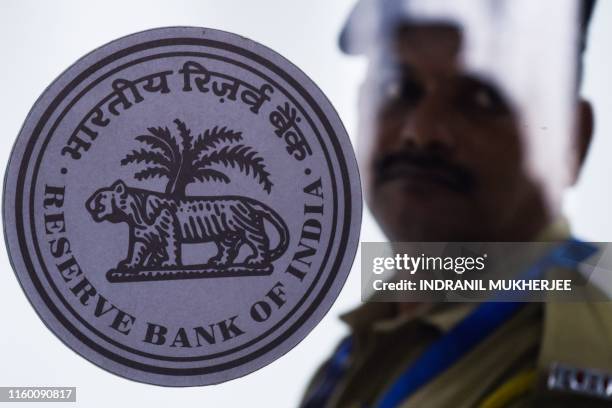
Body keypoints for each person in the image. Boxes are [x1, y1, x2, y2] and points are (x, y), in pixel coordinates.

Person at [300, 0, 612, 407]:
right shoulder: (352, 355)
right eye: (398, 89)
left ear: (571, 141)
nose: (421, 131)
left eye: (484, 98)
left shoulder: (592, 346)